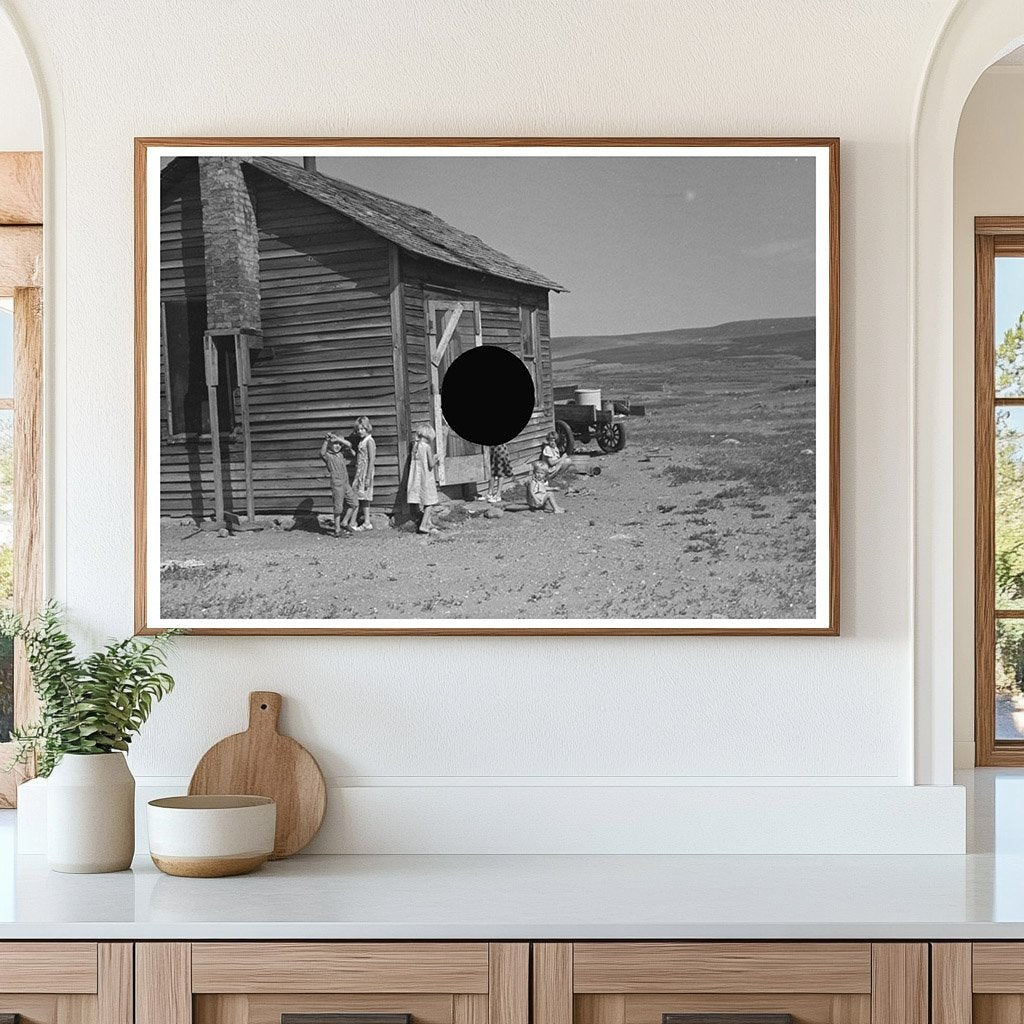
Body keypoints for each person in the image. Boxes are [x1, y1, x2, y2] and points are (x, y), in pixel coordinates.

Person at [319, 433, 357, 536]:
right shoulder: (329, 456)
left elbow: (349, 444)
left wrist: (339, 440)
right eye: (335, 444)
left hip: (345, 483)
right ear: (330, 444)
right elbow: (321, 453)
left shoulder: (342, 453)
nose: (337, 446)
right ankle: (337, 530)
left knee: (354, 503)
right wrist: (326, 440)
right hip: (337, 484)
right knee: (338, 507)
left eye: (339, 444)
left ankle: (344, 522)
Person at [407, 424, 441, 534]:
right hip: (426, 478)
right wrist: (436, 458)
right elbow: (430, 464)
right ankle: (423, 525)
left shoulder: (415, 446)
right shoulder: (427, 447)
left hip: (417, 478)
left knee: (423, 499)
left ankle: (428, 522)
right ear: (428, 436)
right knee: (429, 502)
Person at [352, 415, 377, 530]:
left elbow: (371, 459)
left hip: (366, 472)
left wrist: (368, 477)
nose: (360, 432)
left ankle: (362, 522)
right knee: (360, 496)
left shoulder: (369, 441)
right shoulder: (362, 441)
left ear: (367, 428)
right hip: (360, 471)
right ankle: (365, 522)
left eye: (362, 429)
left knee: (364, 496)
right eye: (358, 430)